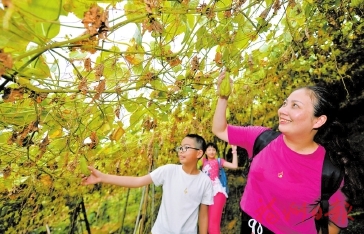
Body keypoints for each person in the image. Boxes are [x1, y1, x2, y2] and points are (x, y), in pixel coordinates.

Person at [211, 71, 364, 234]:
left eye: (295, 105)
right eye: (285, 103)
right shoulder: (261, 138)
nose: (282, 110)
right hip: (248, 226)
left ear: (318, 120)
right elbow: (220, 130)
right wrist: (223, 97)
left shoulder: (330, 171)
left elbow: (333, 222)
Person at [82, 134, 214, 234]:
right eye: (180, 147)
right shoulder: (168, 171)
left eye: (186, 148)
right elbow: (137, 181)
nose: (181, 150)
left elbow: (203, 215)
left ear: (199, 153)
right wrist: (102, 177)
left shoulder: (205, 182)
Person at [201, 142, 238, 234]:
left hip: (217, 192)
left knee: (213, 226)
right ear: (205, 151)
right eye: (209, 149)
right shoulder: (203, 162)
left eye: (213, 149)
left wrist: (234, 150)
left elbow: (234, 166)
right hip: (207, 195)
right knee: (209, 227)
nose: (212, 151)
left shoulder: (219, 161)